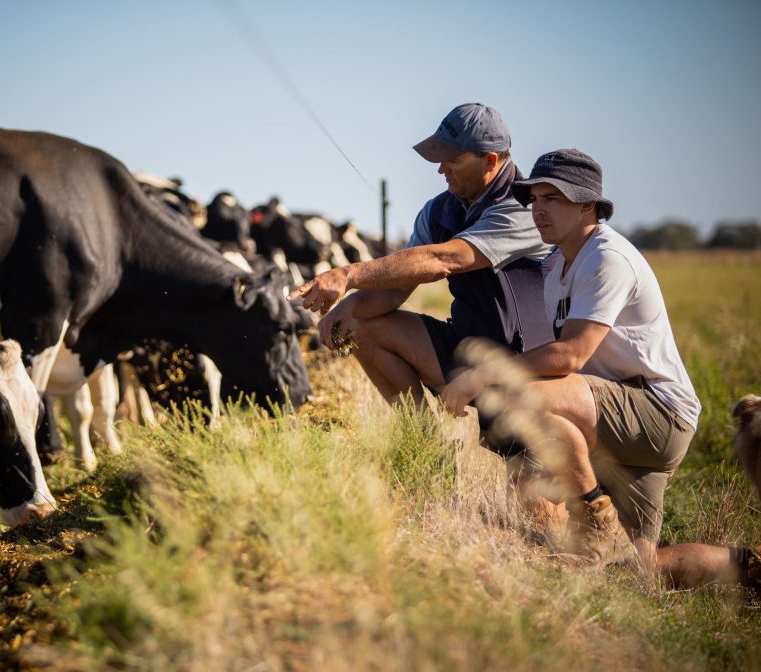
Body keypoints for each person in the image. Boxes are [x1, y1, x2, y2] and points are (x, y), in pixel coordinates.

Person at [441, 149, 760, 589]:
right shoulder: (560, 263)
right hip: (619, 415)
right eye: (534, 199)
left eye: (552, 198)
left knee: (519, 394)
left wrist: (481, 374)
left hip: (657, 412)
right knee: (639, 571)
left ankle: (592, 515)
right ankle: (749, 568)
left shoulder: (607, 258)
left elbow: (570, 355)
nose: (538, 210)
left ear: (587, 204)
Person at [288, 103, 553, 433]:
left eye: (453, 159)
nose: (441, 169)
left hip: (527, 365)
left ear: (490, 161)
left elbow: (445, 259)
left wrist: (348, 275)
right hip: (470, 348)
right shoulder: (438, 211)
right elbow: (398, 286)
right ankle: (424, 443)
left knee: (530, 478)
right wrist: (350, 307)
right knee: (360, 325)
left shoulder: (524, 209)